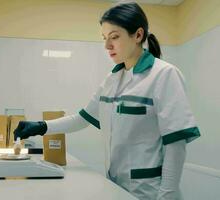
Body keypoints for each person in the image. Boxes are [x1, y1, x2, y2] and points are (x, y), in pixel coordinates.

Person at [14, 2, 200, 200]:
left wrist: (167, 196)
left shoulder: (164, 75)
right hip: (115, 187)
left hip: (149, 192)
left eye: (114, 37)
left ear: (138, 35)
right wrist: (41, 127)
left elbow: (176, 143)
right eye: (104, 38)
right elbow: (82, 118)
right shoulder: (112, 80)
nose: (107, 46)